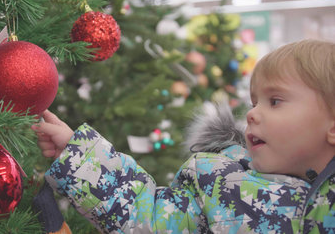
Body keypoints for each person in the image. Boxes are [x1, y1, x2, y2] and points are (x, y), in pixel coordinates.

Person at [32, 39, 335, 233]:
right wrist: (78, 154)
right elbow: (143, 214)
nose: (252, 114)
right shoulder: (221, 184)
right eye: (253, 103)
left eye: (275, 101)